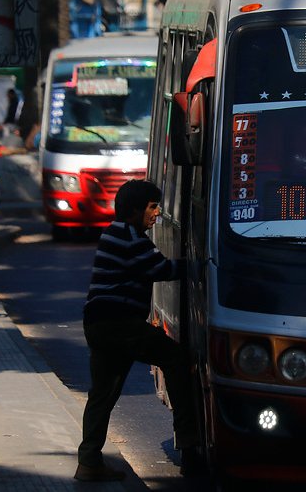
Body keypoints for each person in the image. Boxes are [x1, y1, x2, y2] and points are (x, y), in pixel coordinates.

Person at [75, 180, 200, 482]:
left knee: (102, 394)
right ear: (134, 211)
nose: (157, 214)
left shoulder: (112, 233)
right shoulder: (132, 239)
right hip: (120, 324)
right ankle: (188, 440)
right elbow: (162, 270)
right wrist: (201, 264)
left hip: (98, 324)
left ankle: (88, 461)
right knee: (175, 358)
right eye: (152, 207)